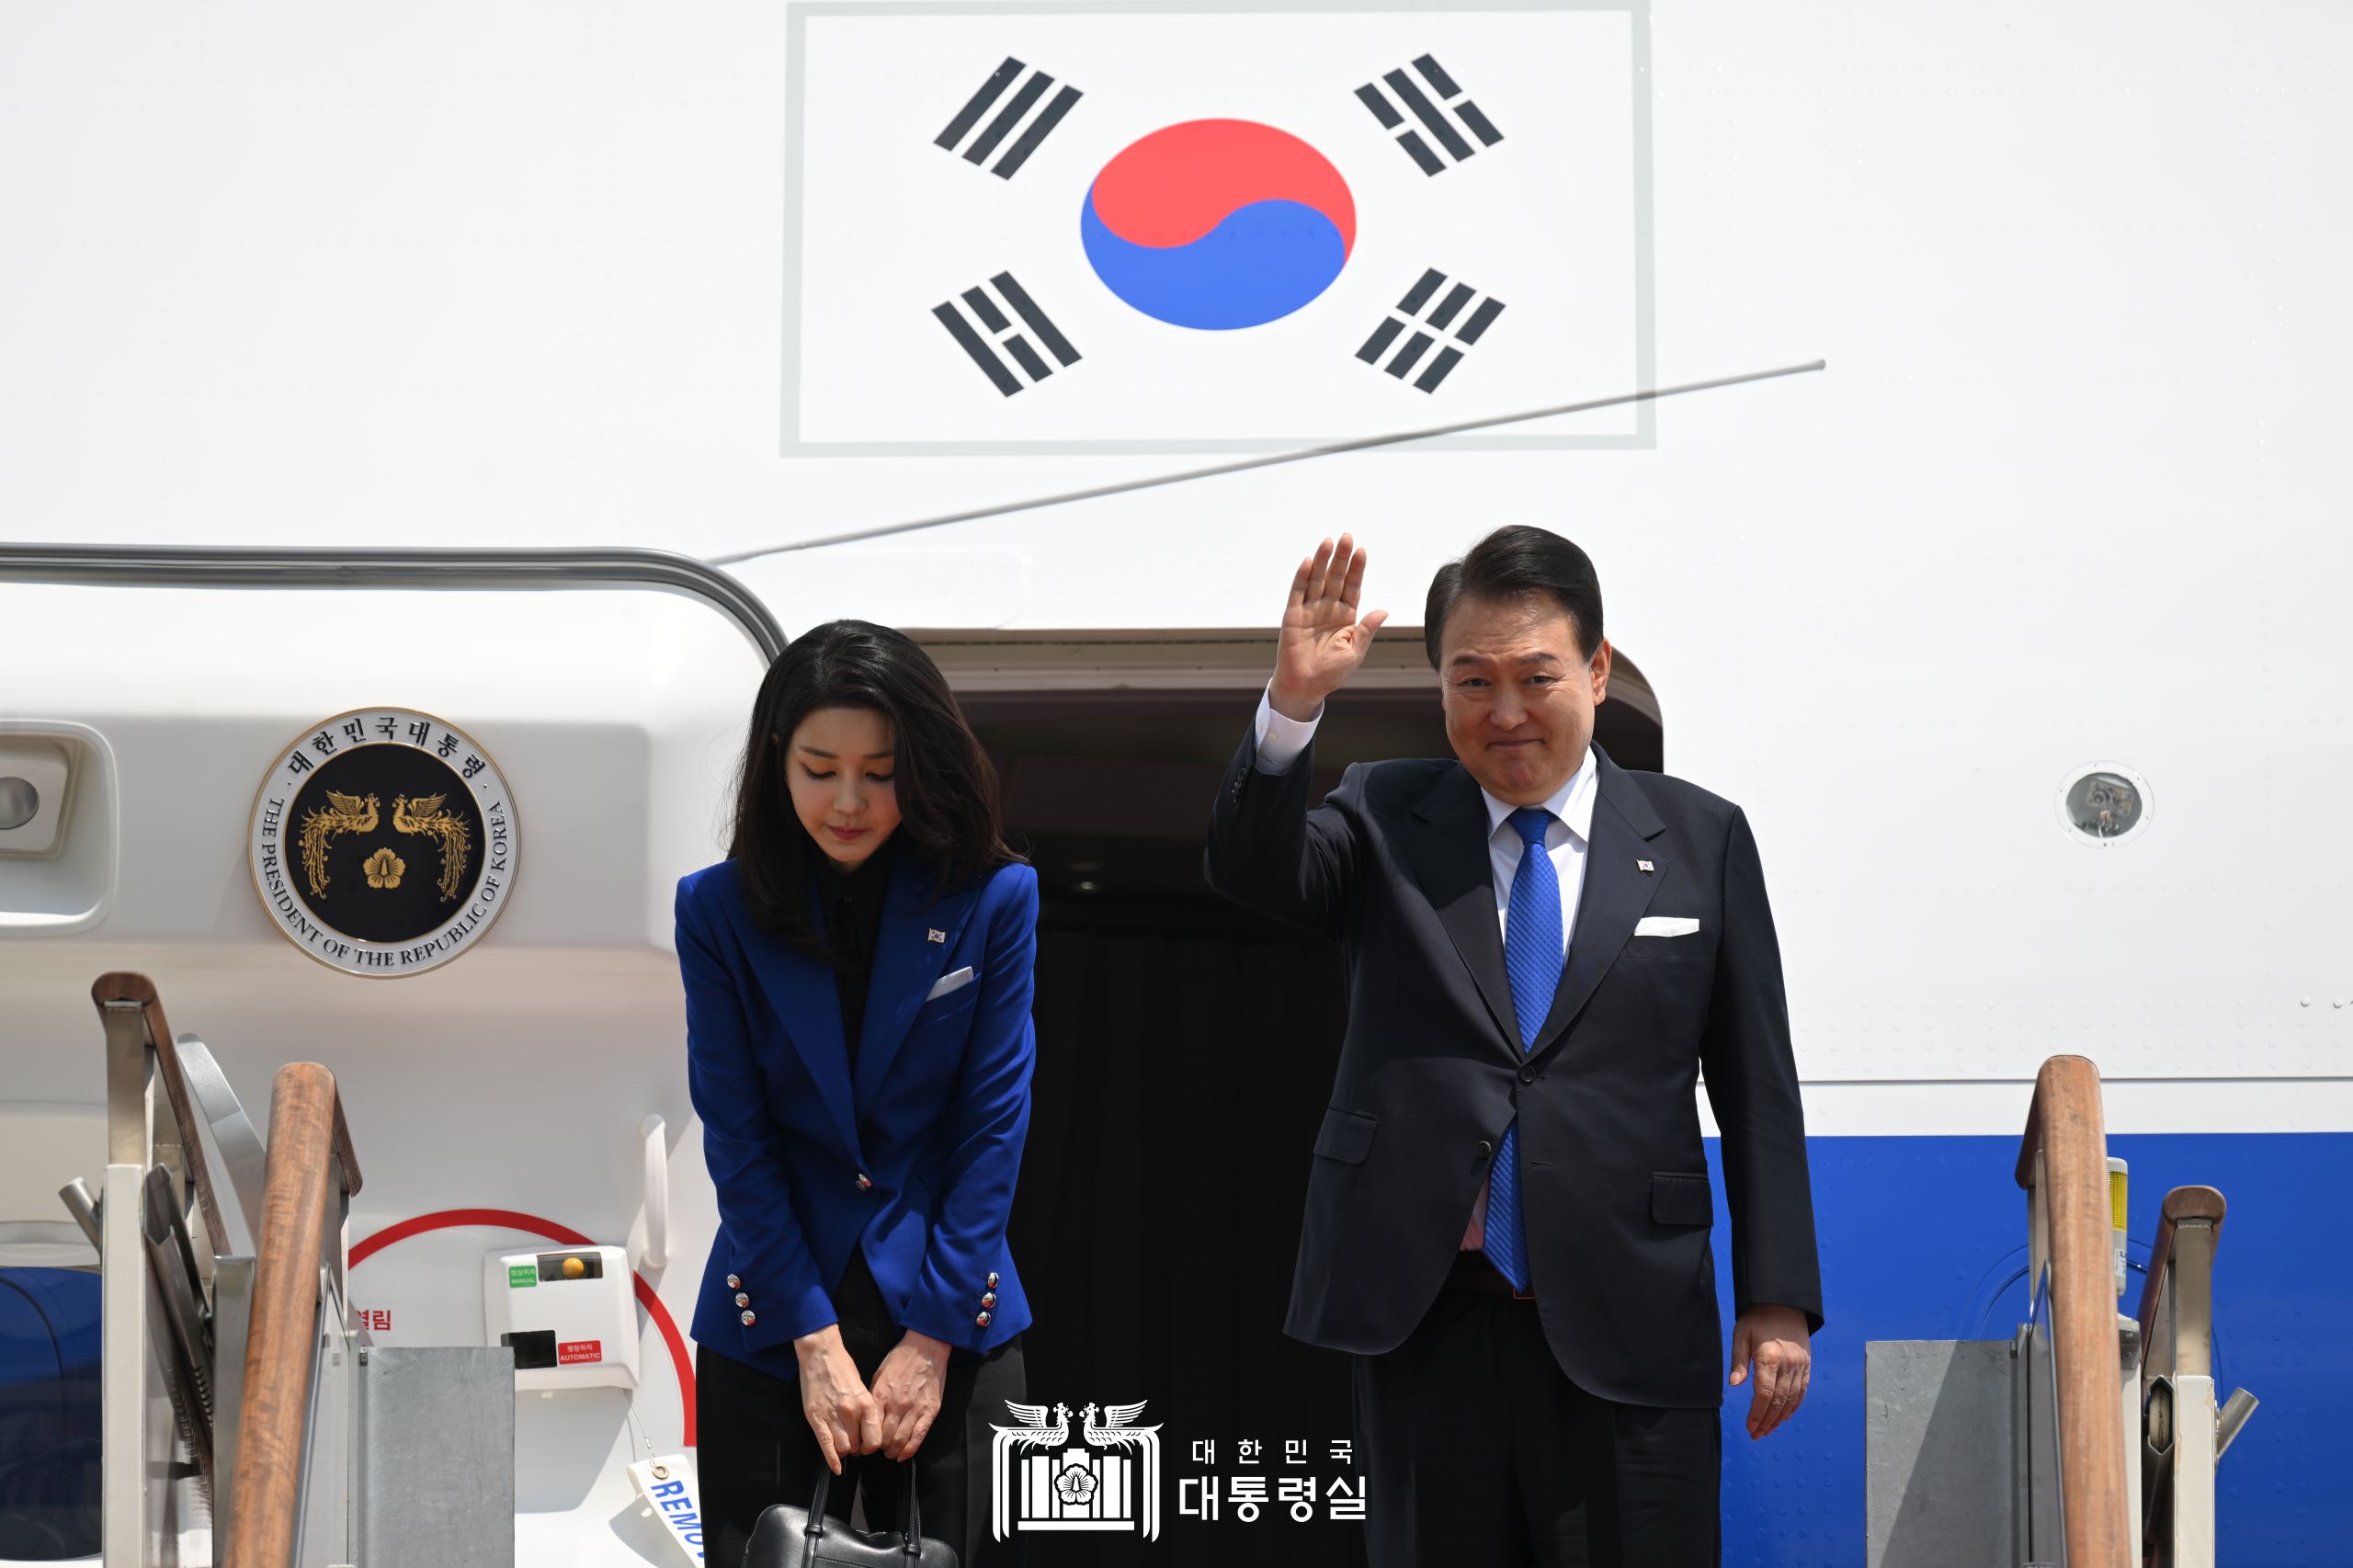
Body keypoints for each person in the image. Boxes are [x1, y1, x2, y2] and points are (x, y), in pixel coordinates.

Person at [1204, 528, 1823, 1567]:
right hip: (1428, 1321)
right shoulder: (1383, 812)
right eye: (1472, 681)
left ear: (1597, 669)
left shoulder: (1701, 837)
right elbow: (1254, 872)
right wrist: (1293, 704)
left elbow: (1757, 1086)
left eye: (1536, 678)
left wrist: (1777, 1298)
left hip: (1632, 1316)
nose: (1504, 712)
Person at [677, 619, 1036, 1568]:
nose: (847, 800)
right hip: (772, 1315)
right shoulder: (714, 910)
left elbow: (992, 1124)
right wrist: (809, 1336)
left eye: (879, 772)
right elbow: (737, 1135)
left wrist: (932, 1337)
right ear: (776, 760)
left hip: (951, 1310)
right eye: (819, 768)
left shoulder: (995, 898)